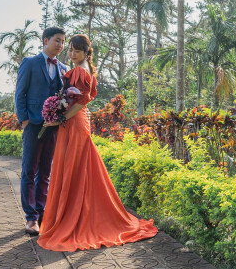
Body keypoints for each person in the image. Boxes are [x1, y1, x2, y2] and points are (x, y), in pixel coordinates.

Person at [37, 34, 158, 251]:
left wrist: (58, 119)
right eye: (70, 50)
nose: (71, 54)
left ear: (86, 52)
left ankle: (77, 217)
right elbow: (83, 100)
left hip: (73, 123)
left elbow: (79, 102)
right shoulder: (85, 70)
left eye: (76, 51)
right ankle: (77, 212)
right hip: (75, 121)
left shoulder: (80, 72)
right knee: (78, 168)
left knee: (75, 167)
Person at [15, 26, 67, 235]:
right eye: (57, 40)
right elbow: (20, 94)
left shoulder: (63, 68)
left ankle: (41, 211)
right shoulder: (29, 63)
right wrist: (25, 121)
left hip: (54, 128)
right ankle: (30, 218)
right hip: (33, 125)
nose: (61, 45)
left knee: (45, 172)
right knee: (29, 171)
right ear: (45, 40)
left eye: (63, 41)